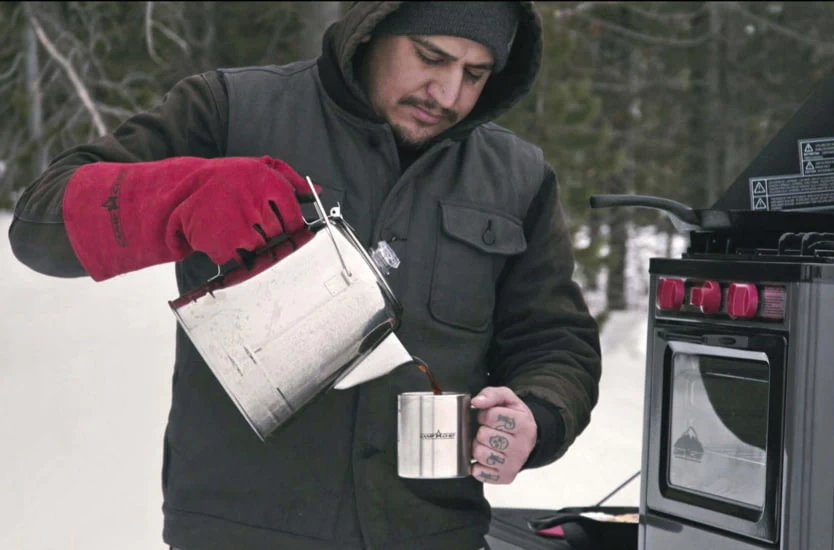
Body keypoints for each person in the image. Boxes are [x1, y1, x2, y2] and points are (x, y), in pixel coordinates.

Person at [7, 2, 602, 549]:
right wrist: (185, 196)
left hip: (429, 535)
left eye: (475, 74)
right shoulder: (232, 110)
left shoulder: (516, 177)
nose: (448, 94)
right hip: (238, 534)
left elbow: (555, 343)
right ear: (373, 29)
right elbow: (39, 226)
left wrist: (535, 415)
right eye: (430, 57)